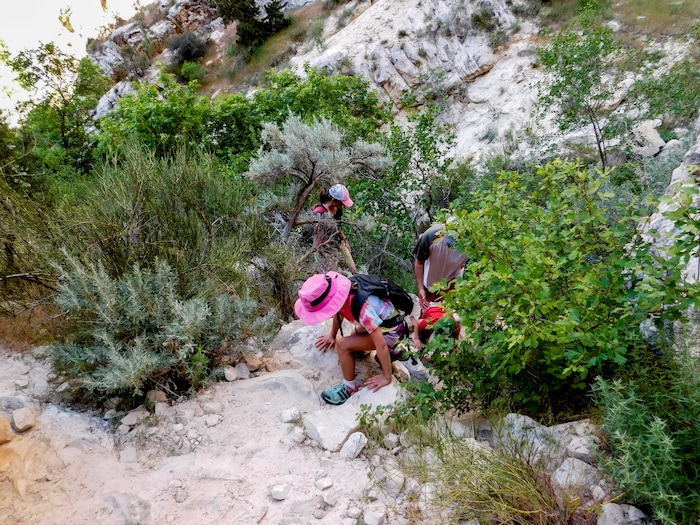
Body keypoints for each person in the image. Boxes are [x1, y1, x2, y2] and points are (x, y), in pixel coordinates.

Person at [295, 271, 408, 405]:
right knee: (354, 335)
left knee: (343, 345)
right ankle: (388, 351)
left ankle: (349, 386)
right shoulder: (345, 294)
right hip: (384, 323)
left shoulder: (363, 309)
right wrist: (332, 334)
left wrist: (386, 376)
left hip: (392, 332)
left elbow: (381, 344)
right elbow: (339, 313)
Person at [413, 218, 468, 311]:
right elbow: (419, 262)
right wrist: (420, 289)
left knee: (449, 312)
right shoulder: (431, 236)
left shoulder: (470, 244)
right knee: (429, 311)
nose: (450, 246)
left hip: (452, 280)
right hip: (430, 281)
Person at [312, 184, 357, 274]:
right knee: (332, 274)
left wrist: (345, 241)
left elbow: (338, 226)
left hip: (338, 241)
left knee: (353, 269)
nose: (342, 206)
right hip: (325, 247)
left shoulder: (337, 209)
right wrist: (326, 258)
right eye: (341, 203)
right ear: (334, 201)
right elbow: (318, 243)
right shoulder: (319, 214)